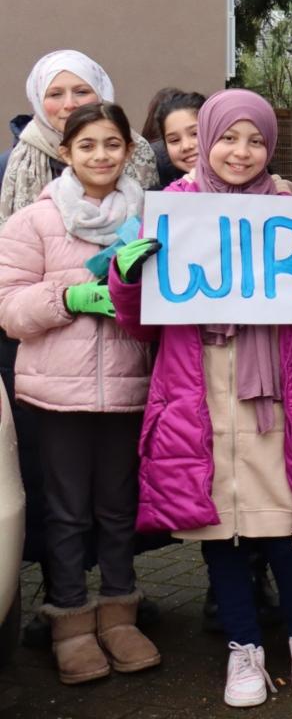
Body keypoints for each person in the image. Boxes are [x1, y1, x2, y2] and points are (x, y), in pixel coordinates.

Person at [107, 89, 292, 708]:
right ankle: (242, 645)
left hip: (280, 387)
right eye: (227, 137)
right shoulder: (172, 210)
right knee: (217, 524)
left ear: (271, 145)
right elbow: (141, 325)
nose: (240, 151)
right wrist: (128, 277)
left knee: (285, 520)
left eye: (254, 139)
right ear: (206, 141)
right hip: (201, 391)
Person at [0, 102, 157, 684]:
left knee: (118, 510)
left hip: (128, 388)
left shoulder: (151, 218)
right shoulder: (32, 223)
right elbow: (9, 310)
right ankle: (70, 623)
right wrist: (69, 297)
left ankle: (119, 617)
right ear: (65, 153)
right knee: (65, 513)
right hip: (55, 397)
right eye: (87, 145)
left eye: (112, 144)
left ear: (127, 150)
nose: (101, 156)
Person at [1, 51, 160, 224]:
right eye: (55, 94)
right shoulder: (12, 163)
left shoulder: (140, 150)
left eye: (82, 92)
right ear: (38, 100)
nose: (70, 104)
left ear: (101, 94)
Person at [145, 90, 206, 188]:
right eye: (174, 140)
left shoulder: (237, 186)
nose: (186, 146)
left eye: (195, 134)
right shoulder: (161, 196)